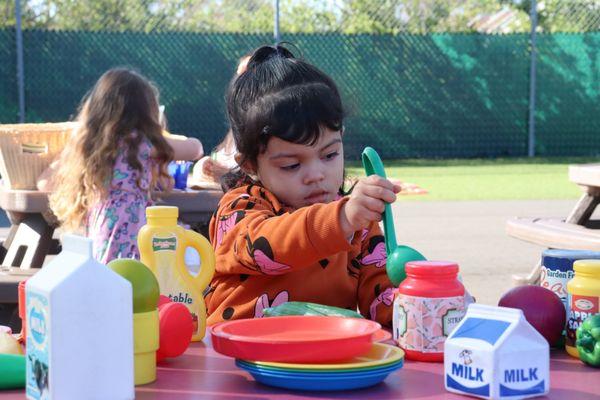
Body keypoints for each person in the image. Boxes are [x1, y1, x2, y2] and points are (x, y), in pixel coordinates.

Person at [205, 45, 400, 327]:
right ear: (249, 165)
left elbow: (381, 299)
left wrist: (422, 302)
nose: (316, 174)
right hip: (238, 362)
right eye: (291, 165)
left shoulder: (357, 222)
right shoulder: (239, 209)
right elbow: (267, 246)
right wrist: (341, 219)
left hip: (318, 363)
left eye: (329, 154)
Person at [40, 68, 203, 263]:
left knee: (111, 281)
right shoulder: (142, 142)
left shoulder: (86, 145)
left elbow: (44, 183)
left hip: (101, 229)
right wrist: (160, 135)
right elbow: (195, 149)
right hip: (136, 231)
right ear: (146, 112)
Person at [191, 55, 250, 187]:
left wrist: (227, 175)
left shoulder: (269, 129)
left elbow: (269, 180)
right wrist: (204, 166)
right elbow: (220, 159)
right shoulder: (236, 130)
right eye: (240, 78)